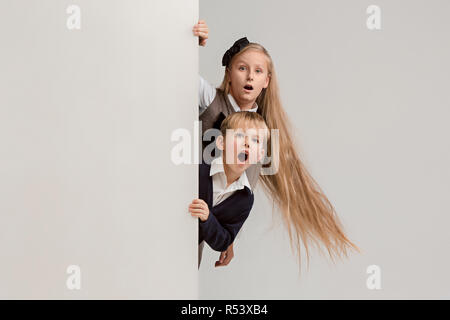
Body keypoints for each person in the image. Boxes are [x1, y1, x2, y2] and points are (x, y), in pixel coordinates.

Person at [193, 20, 361, 273]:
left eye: (258, 71)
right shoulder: (211, 100)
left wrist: (229, 234)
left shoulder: (261, 134)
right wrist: (191, 43)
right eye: (242, 68)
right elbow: (178, 72)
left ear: (266, 81)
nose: (250, 76)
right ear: (229, 73)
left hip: (198, 224)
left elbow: (243, 183)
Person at [189, 112, 269, 268]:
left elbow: (224, 240)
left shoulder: (245, 198)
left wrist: (208, 218)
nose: (247, 143)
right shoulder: (197, 170)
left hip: (186, 253)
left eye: (255, 140)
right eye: (240, 135)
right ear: (221, 143)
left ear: (260, 155)